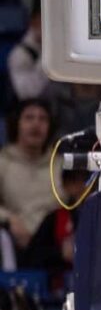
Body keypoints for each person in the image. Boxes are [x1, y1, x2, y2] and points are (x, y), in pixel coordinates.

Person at [0, 100, 58, 250]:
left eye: (42, 119)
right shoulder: (3, 161)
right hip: (13, 243)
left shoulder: (60, 164)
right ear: (16, 124)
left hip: (56, 245)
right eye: (29, 118)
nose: (36, 124)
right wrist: (9, 219)